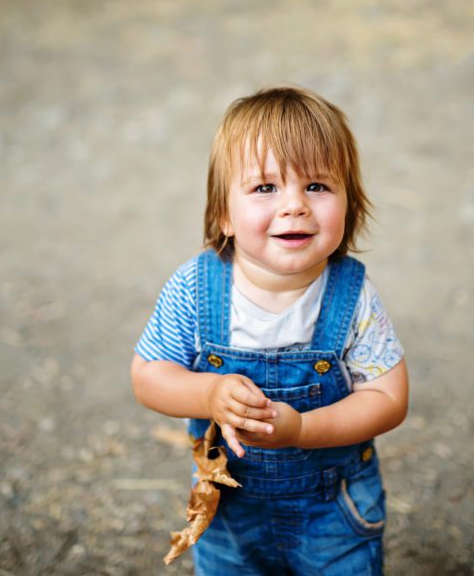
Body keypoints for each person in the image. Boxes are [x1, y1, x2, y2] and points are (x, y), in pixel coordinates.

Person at [130, 86, 409, 575]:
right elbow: (148, 375)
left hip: (333, 514)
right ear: (224, 215)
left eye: (317, 187)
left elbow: (388, 397)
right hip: (229, 516)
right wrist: (209, 391)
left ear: (351, 203)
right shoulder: (195, 290)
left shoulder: (352, 296)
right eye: (265, 188)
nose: (295, 205)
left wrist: (304, 428)